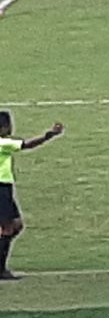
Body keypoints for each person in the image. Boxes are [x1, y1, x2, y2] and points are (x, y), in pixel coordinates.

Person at [0, 111, 65, 281]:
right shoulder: (3, 143)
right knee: (8, 228)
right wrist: (49, 135)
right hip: (1, 189)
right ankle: (0, 270)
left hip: (5, 188)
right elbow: (28, 144)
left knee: (16, 225)